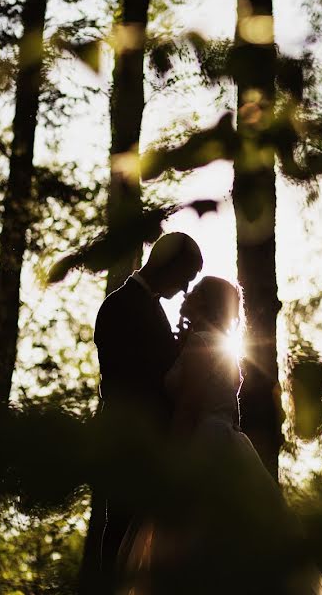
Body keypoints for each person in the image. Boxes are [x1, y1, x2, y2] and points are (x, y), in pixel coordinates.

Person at [118, 276, 322, 595]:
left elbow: (189, 405)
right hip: (229, 440)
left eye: (197, 291)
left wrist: (172, 460)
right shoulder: (220, 347)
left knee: (190, 541)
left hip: (200, 441)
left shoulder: (200, 344)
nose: (187, 295)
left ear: (205, 302)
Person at [88, 232, 203, 595]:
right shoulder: (119, 306)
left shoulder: (148, 307)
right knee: (120, 528)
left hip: (149, 441)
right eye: (185, 275)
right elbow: (129, 377)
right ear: (166, 264)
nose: (185, 288)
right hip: (127, 441)